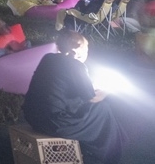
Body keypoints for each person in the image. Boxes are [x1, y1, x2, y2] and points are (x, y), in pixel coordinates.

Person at [23, 30, 126, 164]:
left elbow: (59, 87)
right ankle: (106, 154)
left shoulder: (47, 58)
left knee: (89, 109)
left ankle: (97, 148)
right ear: (77, 50)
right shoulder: (75, 65)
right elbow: (92, 98)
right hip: (54, 122)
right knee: (102, 109)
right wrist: (109, 90)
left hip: (32, 117)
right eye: (86, 50)